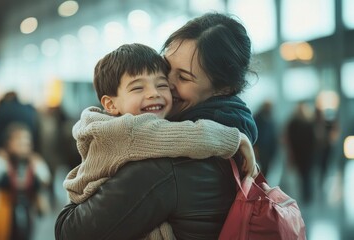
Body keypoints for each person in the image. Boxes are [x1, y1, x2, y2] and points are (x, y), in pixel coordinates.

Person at [55, 12, 258, 239]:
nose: (165, 86)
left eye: (183, 77)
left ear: (223, 89)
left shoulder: (166, 163)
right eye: (166, 69)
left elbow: (69, 231)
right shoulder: (235, 129)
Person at [0, 122, 51, 240]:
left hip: (28, 209)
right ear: (9, 143)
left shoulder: (34, 161)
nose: (24, 146)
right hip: (5, 211)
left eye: (27, 143)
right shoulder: (0, 160)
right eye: (19, 142)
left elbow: (45, 179)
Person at [285, 102, 316, 204]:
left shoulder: (294, 122)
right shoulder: (308, 121)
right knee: (306, 175)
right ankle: (307, 195)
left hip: (301, 154)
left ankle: (306, 194)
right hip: (306, 154)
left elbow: (290, 140)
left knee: (304, 175)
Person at [253, 100, 278, 176]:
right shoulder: (257, 117)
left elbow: (273, 136)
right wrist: (255, 147)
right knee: (258, 170)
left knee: (265, 170)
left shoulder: (271, 118)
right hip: (259, 148)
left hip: (268, 150)